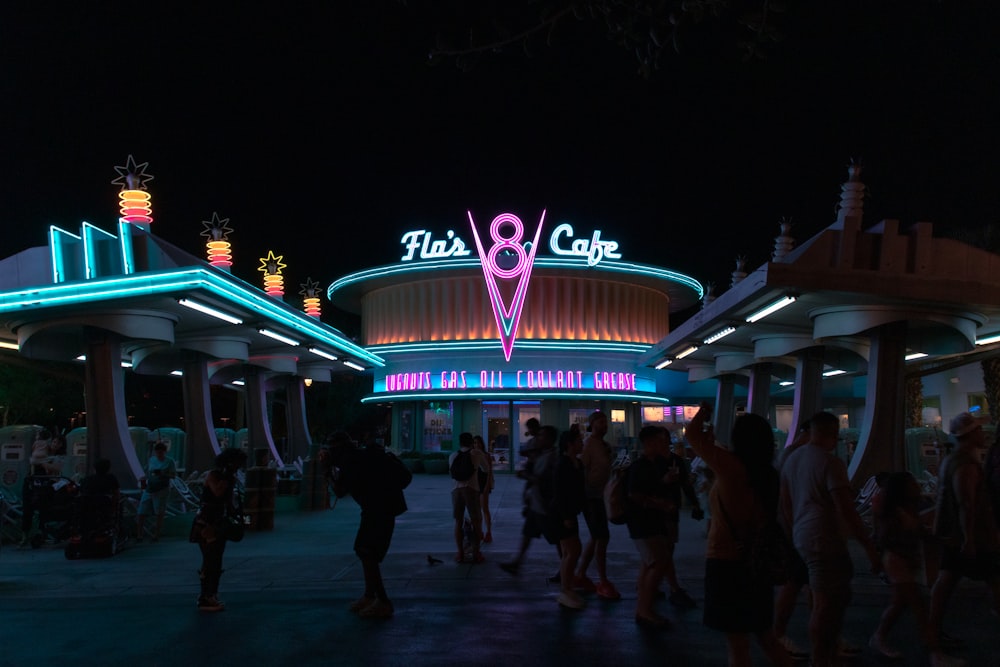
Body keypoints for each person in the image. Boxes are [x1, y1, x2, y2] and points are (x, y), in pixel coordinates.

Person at [684, 404, 791, 666]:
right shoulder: (768, 475)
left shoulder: (731, 467)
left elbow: (691, 435)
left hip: (726, 562)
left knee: (737, 645)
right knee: (766, 637)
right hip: (758, 562)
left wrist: (703, 412)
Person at [780, 411, 881, 667]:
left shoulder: (792, 460)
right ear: (833, 434)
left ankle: (826, 650)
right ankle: (822, 657)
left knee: (823, 595)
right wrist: (869, 546)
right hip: (824, 538)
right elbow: (845, 509)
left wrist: (795, 530)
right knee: (827, 604)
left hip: (803, 536)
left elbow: (786, 503)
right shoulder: (831, 463)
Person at [871, 471, 964, 666]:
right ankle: (934, 653)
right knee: (919, 607)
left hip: (901, 561)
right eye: (912, 482)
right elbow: (908, 531)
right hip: (898, 562)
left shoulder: (901, 508)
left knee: (900, 605)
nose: (917, 485)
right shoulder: (899, 512)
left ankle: (879, 637)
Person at [929, 411, 1000, 649]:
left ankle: (933, 630)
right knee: (993, 577)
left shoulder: (952, 460)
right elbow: (966, 503)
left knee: (946, 581)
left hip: (954, 535)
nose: (983, 433)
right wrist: (969, 539)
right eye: (979, 430)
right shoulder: (966, 464)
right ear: (970, 435)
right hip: (971, 537)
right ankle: (933, 634)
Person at [328, 431, 410, 618]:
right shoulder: (360, 457)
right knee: (365, 551)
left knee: (367, 551)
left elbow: (339, 491)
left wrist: (327, 472)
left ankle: (382, 601)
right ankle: (369, 595)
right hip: (380, 508)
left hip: (377, 510)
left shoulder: (350, 462)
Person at [626, 424, 676, 629]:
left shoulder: (652, 465)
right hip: (644, 521)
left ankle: (644, 607)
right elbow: (634, 495)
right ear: (649, 443)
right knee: (658, 561)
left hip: (647, 521)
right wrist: (660, 503)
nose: (665, 443)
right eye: (660, 440)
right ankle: (644, 609)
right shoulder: (641, 467)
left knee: (651, 562)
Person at [190, 447, 247, 612]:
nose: (238, 468)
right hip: (206, 523)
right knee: (210, 560)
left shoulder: (229, 479)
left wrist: (243, 519)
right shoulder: (214, 475)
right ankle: (206, 596)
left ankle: (211, 594)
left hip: (219, 523)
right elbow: (217, 492)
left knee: (216, 560)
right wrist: (228, 478)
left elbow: (230, 505)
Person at [574, 411, 622, 600]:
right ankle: (602, 580)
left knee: (597, 537)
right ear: (592, 424)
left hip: (599, 496)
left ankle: (581, 574)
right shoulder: (589, 446)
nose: (604, 425)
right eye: (601, 422)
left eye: (605, 422)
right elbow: (581, 471)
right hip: (591, 498)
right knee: (602, 537)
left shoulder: (604, 446)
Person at [500, 424, 559, 575]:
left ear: (550, 439)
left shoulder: (551, 457)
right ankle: (517, 562)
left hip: (543, 507)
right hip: (536, 503)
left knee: (558, 539)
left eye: (542, 436)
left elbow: (543, 479)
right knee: (528, 533)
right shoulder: (542, 454)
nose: (538, 438)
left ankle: (567, 569)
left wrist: (526, 475)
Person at [549, 425, 587, 609]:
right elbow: (560, 492)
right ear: (570, 445)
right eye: (579, 441)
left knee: (570, 551)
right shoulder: (563, 464)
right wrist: (566, 515)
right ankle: (565, 590)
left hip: (569, 513)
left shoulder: (574, 463)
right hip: (563, 514)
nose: (582, 444)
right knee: (572, 551)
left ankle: (567, 589)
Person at [449, 432, 488, 563]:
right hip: (471, 490)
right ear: (471, 442)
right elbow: (486, 469)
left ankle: (460, 553)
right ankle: (476, 553)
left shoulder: (453, 456)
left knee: (458, 522)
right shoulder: (476, 454)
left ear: (459, 442)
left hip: (455, 490)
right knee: (476, 521)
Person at [136, 441, 177, 542]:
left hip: (162, 489)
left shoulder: (169, 461)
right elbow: (149, 472)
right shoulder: (152, 460)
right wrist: (144, 478)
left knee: (159, 512)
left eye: (161, 452)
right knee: (141, 511)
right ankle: (139, 534)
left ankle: (156, 534)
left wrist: (163, 473)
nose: (159, 455)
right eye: (157, 452)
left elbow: (173, 475)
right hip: (150, 488)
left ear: (164, 452)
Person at [473, 434, 495, 543]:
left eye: (478, 442)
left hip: (483, 484)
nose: (476, 445)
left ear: (482, 444)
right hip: (474, 485)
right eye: (474, 443)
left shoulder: (486, 456)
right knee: (477, 511)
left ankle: (488, 532)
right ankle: (479, 531)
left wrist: (487, 485)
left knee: (484, 509)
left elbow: (490, 472)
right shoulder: (472, 455)